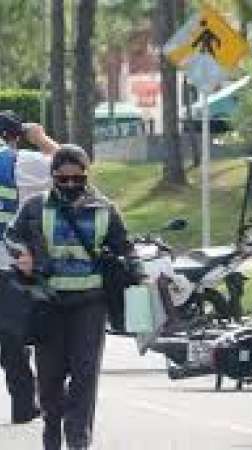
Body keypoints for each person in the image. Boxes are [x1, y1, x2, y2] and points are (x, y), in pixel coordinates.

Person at [7, 145, 129, 450]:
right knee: (49, 380)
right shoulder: (35, 207)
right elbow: (11, 234)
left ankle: (78, 441)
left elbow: (125, 249)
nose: (72, 185)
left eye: (78, 178)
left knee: (85, 376)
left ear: (86, 176)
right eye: (64, 179)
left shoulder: (106, 209)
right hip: (48, 303)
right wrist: (23, 255)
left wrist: (135, 273)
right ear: (53, 177)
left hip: (90, 303)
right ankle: (51, 434)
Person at [0, 111, 59, 424]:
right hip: (11, 265)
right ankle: (25, 402)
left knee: (10, 339)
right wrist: (41, 139)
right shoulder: (20, 161)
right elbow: (72, 165)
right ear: (14, 136)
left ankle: (26, 401)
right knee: (12, 337)